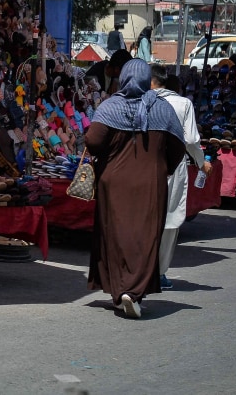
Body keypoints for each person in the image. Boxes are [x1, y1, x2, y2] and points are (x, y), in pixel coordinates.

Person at [85, 59, 185, 319]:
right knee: (145, 236)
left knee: (114, 235)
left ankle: (120, 292)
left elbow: (93, 141)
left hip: (113, 183)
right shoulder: (163, 109)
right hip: (150, 184)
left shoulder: (110, 106)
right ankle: (133, 292)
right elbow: (177, 148)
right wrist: (163, 168)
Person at [150, 65, 212, 289]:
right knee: (169, 219)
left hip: (142, 166)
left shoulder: (139, 100)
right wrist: (200, 162)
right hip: (173, 167)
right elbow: (192, 140)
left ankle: (141, 270)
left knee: (145, 217)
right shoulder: (183, 104)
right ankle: (159, 272)